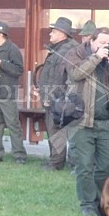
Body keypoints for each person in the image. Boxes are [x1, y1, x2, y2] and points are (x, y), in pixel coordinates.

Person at [66, 27, 109, 216]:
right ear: (91, 41)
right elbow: (76, 74)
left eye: (108, 43)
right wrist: (96, 58)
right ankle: (87, 203)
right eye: (101, 42)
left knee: (107, 165)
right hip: (82, 121)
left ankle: (103, 201)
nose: (105, 46)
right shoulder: (75, 53)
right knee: (84, 165)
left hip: (106, 121)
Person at [0, 21, 27, 164]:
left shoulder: (12, 49)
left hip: (7, 94)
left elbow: (19, 70)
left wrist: (2, 63)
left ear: (1, 35)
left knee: (13, 124)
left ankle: (19, 155)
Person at [37, 16, 78, 171]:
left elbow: (59, 77)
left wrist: (49, 97)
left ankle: (56, 164)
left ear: (62, 33)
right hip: (55, 99)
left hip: (58, 100)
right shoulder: (59, 49)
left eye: (53, 32)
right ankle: (54, 160)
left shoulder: (66, 51)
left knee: (56, 131)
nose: (50, 34)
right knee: (53, 131)